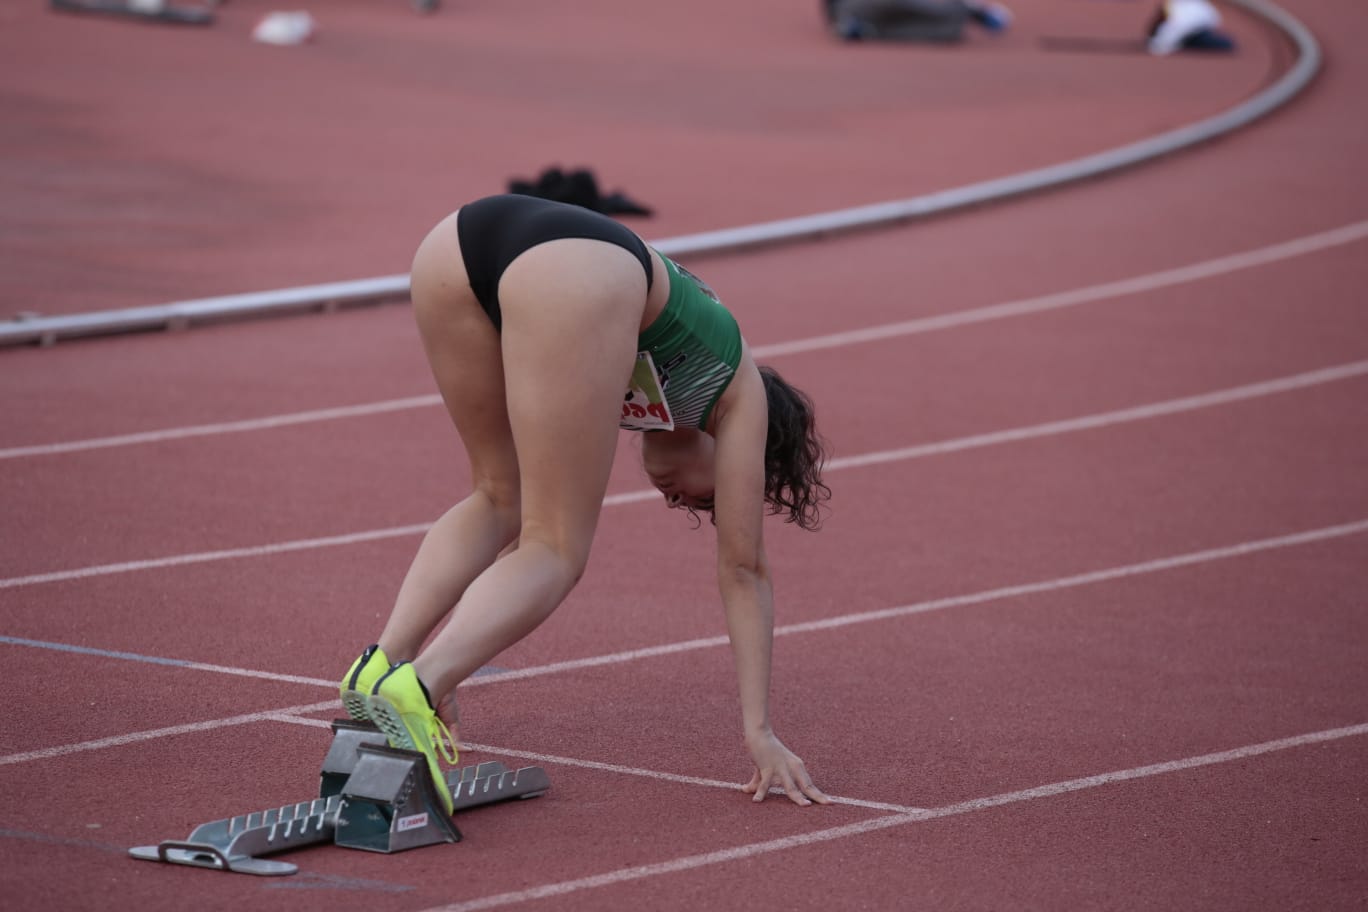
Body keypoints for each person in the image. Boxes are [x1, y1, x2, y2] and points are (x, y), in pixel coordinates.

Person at [339, 194, 833, 814]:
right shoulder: (738, 396)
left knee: (499, 496)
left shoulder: (666, 377)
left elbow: (511, 553)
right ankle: (415, 686)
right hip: (576, 268)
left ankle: (381, 666)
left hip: (460, 242)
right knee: (558, 546)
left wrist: (459, 650)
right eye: (706, 496)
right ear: (736, 455)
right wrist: (758, 731)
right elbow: (743, 567)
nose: (682, 500)